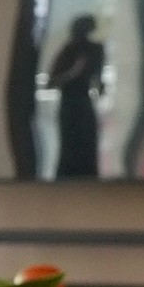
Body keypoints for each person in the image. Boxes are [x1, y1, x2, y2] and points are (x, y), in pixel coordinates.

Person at [45, 14, 109, 178]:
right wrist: (73, 72)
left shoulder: (94, 49)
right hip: (71, 104)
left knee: (83, 147)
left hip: (80, 104)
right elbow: (51, 83)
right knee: (71, 148)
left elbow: (99, 82)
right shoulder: (70, 50)